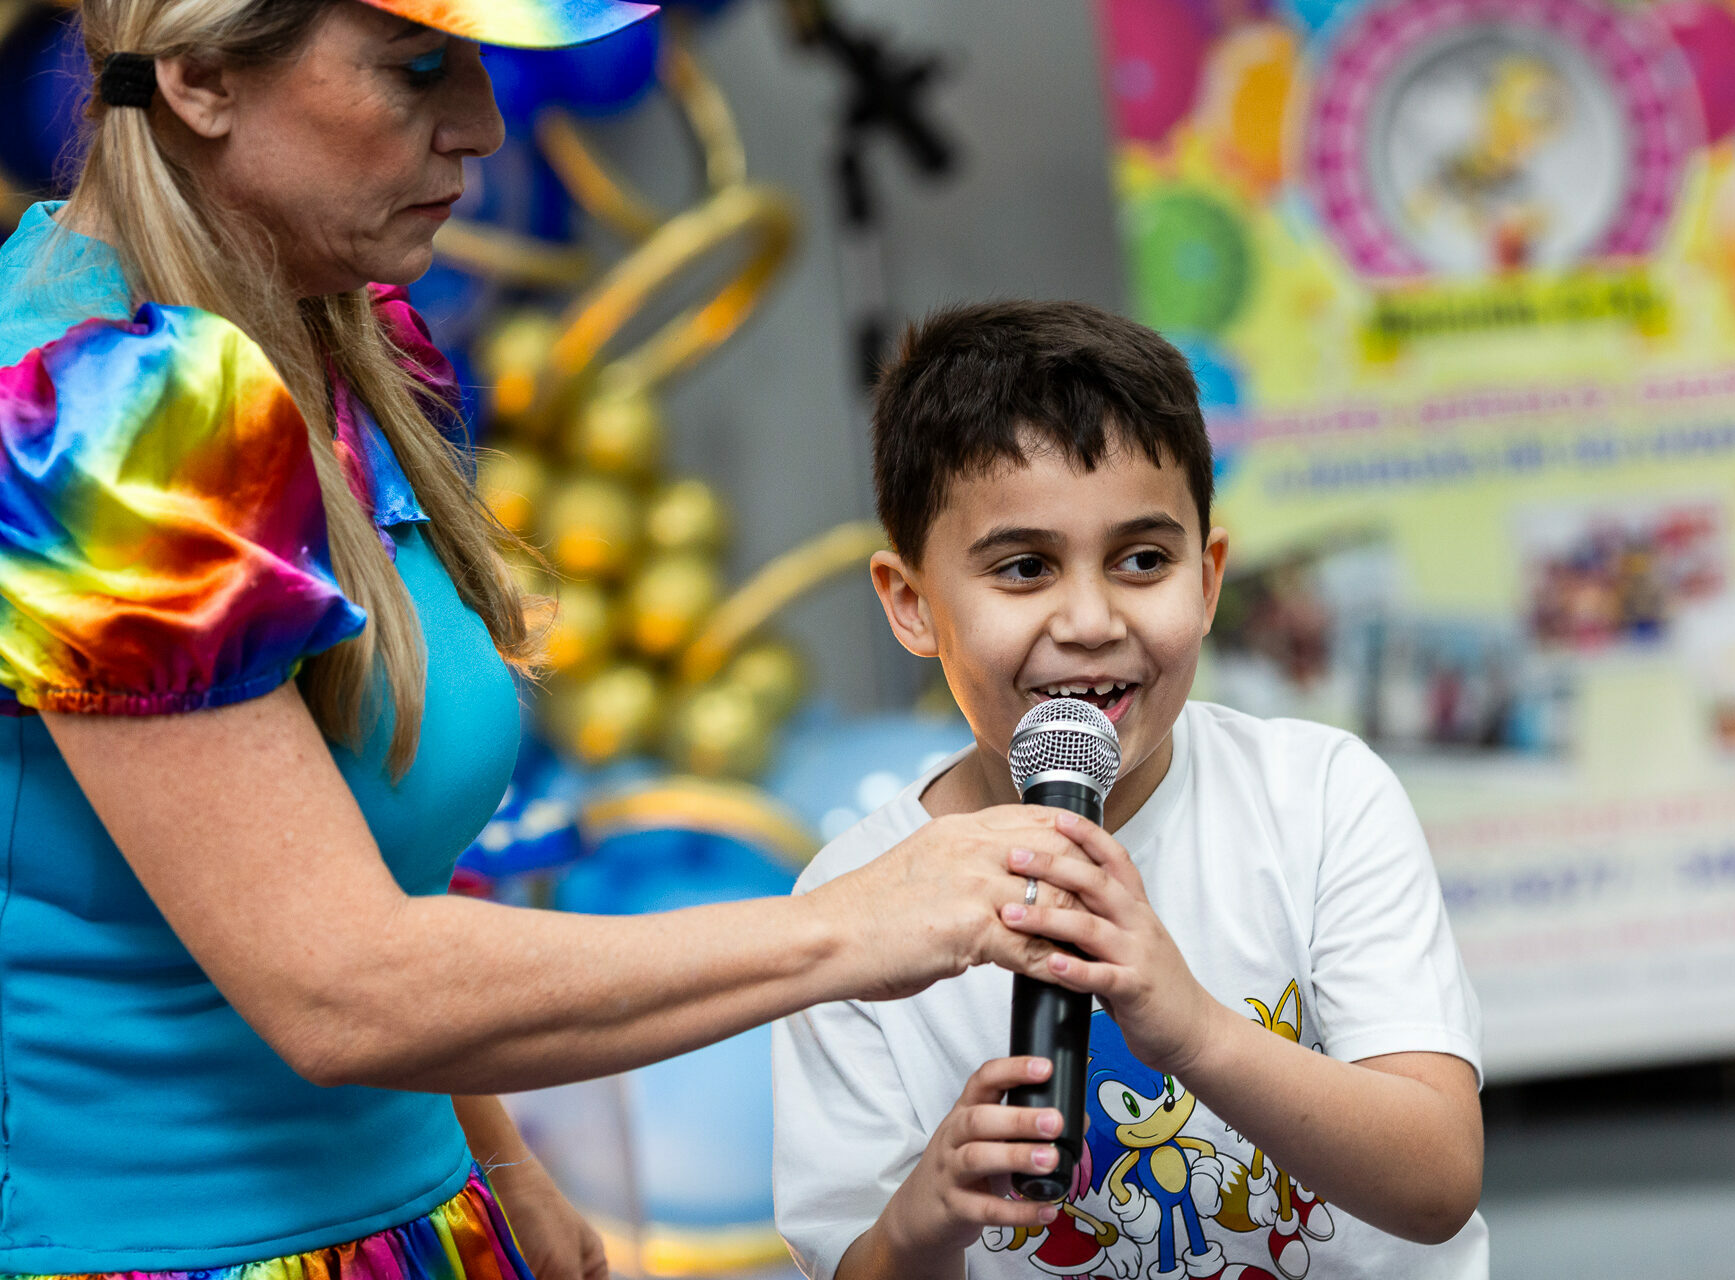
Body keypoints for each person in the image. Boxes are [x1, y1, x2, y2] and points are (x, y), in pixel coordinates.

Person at [0, 5, 1101, 1278]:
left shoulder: (324, 325)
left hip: (421, 1212)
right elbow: (338, 985)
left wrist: (504, 1161)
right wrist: (850, 926)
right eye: (418, 69)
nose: (481, 125)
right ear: (199, 77)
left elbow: (377, 860)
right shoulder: (95, 407)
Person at [773, 300, 1488, 1280]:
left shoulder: (1321, 797)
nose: (1090, 619)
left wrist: (1194, 1029)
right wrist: (920, 1222)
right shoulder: (851, 900)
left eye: (1143, 560)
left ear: (1209, 577)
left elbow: (1439, 1180)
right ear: (912, 603)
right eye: (1024, 567)